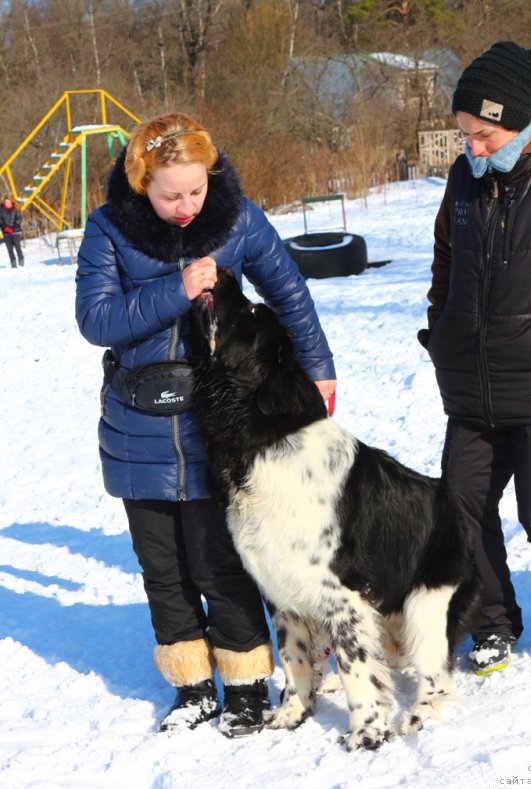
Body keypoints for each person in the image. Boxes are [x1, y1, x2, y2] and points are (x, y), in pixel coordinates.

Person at [75, 112, 337, 736]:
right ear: (142, 182)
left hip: (217, 421)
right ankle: (192, 686)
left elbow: (289, 292)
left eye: (195, 190)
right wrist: (175, 290)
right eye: (171, 195)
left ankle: (246, 683)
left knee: (220, 558)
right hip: (137, 423)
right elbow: (96, 321)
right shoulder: (109, 228)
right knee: (162, 567)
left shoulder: (237, 217)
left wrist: (319, 368)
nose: (187, 205)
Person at [418, 41, 531, 677]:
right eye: (466, 135)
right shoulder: (464, 179)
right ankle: (491, 623)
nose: (474, 149)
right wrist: (443, 327)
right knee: (461, 508)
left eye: (485, 135)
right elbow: (445, 260)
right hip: (471, 387)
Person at [0, 196, 24, 268]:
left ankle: (21, 260)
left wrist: (12, 228)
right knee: (9, 249)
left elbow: (19, 221)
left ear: (11, 202)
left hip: (15, 232)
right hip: (6, 232)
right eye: (6, 202)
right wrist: (5, 228)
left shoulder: (16, 210)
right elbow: (0, 221)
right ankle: (13, 263)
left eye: (8, 202)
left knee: (17, 247)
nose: (7, 203)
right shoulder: (1, 211)